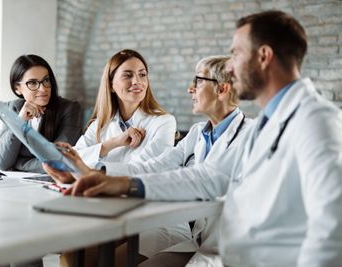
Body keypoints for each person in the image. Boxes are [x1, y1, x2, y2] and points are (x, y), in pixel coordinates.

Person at [49, 10, 342, 267]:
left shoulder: (317, 121)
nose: (230, 67)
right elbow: (208, 176)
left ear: (263, 56)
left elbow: (332, 226)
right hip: (224, 249)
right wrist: (113, 181)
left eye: (236, 54)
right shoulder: (268, 122)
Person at [46, 55, 250, 266]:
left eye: (198, 81)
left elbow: (204, 179)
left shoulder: (249, 136)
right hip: (201, 239)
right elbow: (157, 166)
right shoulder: (199, 132)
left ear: (222, 90)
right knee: (74, 253)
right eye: (128, 75)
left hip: (227, 245)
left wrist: (105, 177)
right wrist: (95, 173)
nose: (190, 89)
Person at [73, 49, 176, 170]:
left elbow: (146, 170)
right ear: (111, 85)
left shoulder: (164, 122)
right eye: (127, 75)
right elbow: (72, 159)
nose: (137, 82)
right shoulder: (99, 124)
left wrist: (95, 169)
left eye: (142, 75)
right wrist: (113, 143)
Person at [0, 54, 82, 173]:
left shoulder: (69, 109)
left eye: (46, 80)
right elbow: (2, 163)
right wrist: (19, 121)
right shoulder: (11, 108)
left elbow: (59, 160)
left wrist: (19, 164)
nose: (43, 88)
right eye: (32, 83)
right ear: (17, 88)